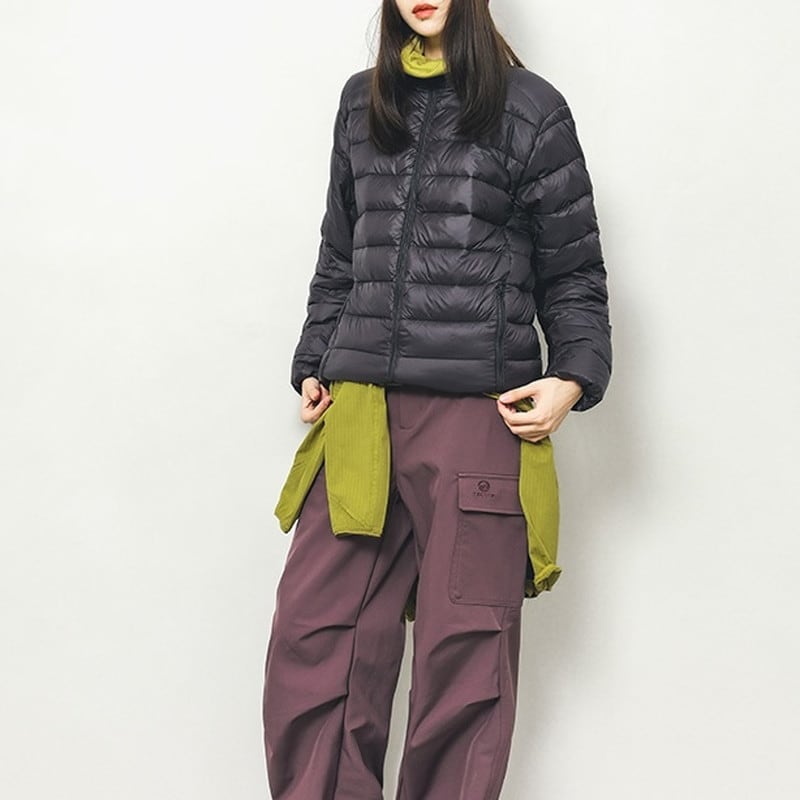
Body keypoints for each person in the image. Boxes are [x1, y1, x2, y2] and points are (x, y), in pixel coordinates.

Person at [262, 1, 612, 797]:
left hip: (475, 419)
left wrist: (573, 375)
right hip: (360, 416)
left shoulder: (531, 109)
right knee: (315, 644)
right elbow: (340, 253)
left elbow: (574, 273)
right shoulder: (363, 101)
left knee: (466, 658)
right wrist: (316, 358)